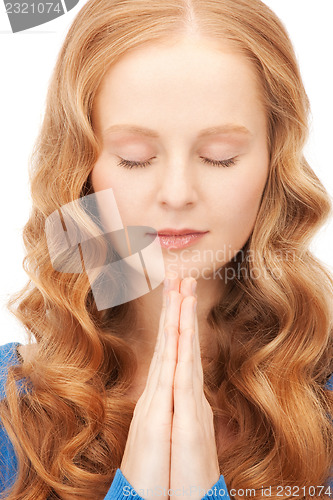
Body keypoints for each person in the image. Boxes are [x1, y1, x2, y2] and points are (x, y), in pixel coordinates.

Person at [1, 0, 333, 498]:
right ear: (82, 168)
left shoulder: (322, 403)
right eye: (135, 159)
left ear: (274, 162)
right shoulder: (11, 405)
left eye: (220, 157)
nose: (177, 193)